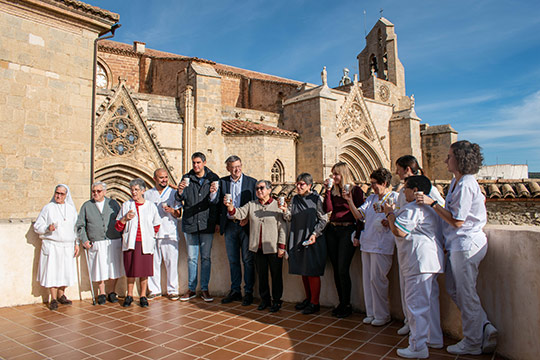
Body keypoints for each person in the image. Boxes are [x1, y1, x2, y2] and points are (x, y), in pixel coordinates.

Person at [416, 140, 497, 355]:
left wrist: (432, 204)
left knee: (466, 293)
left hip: (466, 244)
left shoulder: (466, 184)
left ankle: (472, 342)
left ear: (459, 158)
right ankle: (485, 327)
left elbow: (458, 220)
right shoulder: (457, 183)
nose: (445, 160)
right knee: (455, 289)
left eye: (449, 156)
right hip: (457, 245)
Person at [384, 175, 444, 359]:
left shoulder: (414, 208)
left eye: (406, 188)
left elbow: (400, 231)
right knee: (425, 303)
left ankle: (418, 346)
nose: (403, 191)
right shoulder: (426, 207)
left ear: (415, 189)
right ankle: (432, 339)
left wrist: (390, 213)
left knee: (416, 305)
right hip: (425, 261)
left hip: (418, 261)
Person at [394, 155, 446, 336]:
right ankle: (424, 332)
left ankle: (423, 340)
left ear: (407, 169)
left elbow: (441, 215)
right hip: (412, 253)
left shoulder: (426, 194)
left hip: (420, 254)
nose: (396, 173)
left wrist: (390, 216)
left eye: (398, 169)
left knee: (421, 299)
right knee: (418, 297)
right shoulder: (409, 196)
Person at [224, 180, 286, 312]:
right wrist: (230, 206)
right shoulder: (252, 204)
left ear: (269, 190)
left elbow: (282, 227)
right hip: (257, 247)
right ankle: (265, 300)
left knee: (276, 276)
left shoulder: (277, 206)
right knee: (262, 275)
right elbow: (239, 213)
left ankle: (276, 301)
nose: (259, 190)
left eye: (262, 188)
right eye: (257, 188)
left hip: (273, 247)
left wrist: (282, 246)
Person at [346, 168, 398, 326]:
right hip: (367, 243)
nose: (372, 186)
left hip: (382, 245)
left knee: (378, 280)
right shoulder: (371, 198)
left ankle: (382, 314)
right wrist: (349, 201)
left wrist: (388, 219)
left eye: (375, 183)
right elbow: (359, 216)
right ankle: (371, 312)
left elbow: (399, 218)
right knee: (368, 280)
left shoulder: (395, 197)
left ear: (385, 183)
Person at [280, 173, 328, 315]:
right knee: (303, 270)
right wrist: (284, 210)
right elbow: (289, 217)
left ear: (309, 185)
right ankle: (308, 299)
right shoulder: (294, 199)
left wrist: (315, 234)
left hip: (313, 238)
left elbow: (324, 220)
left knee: (312, 271)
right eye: (297, 183)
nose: (298, 186)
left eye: (302, 184)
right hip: (298, 238)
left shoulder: (317, 199)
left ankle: (315, 302)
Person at [322, 162, 365, 318]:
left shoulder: (356, 191)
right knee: (336, 269)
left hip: (348, 231)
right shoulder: (333, 191)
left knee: (342, 269)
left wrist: (358, 235)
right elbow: (327, 209)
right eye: (333, 174)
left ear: (343, 174)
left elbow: (361, 216)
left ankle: (347, 304)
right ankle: (341, 302)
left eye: (336, 174)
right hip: (333, 230)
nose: (333, 177)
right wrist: (327, 191)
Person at [176, 152, 219, 302]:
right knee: (192, 258)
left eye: (198, 163)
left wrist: (213, 194)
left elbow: (215, 202)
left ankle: (205, 289)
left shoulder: (213, 178)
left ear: (204, 163)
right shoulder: (187, 178)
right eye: (194, 163)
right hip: (190, 224)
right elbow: (179, 198)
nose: (196, 165)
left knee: (206, 258)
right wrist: (180, 190)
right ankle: (191, 289)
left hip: (207, 224)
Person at [218, 155, 257, 306]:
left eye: (239, 166)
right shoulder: (223, 182)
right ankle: (235, 291)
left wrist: (248, 217)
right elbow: (215, 204)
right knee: (233, 260)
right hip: (229, 225)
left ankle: (248, 292)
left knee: (247, 261)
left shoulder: (251, 182)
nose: (236, 169)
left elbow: (255, 203)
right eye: (233, 167)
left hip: (245, 226)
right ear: (228, 168)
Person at [115, 178, 161, 308]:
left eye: (136, 190)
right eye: (132, 190)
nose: (133, 192)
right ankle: (129, 295)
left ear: (142, 191)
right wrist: (125, 218)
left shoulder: (150, 206)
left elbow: (156, 224)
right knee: (131, 270)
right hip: (131, 242)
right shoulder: (126, 205)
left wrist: (151, 236)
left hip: (145, 242)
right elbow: (118, 226)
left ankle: (143, 295)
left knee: (144, 271)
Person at [77, 181, 124, 305]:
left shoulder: (113, 204)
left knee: (114, 268)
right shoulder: (87, 206)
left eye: (98, 191)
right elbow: (81, 225)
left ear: (104, 192)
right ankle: (102, 293)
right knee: (99, 268)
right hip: (96, 241)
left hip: (113, 240)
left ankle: (112, 292)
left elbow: (120, 220)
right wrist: (85, 240)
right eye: (93, 191)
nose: (95, 193)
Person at [34, 184, 79, 310]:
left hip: (67, 245)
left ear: (66, 195)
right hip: (52, 245)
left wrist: (76, 243)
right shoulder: (48, 208)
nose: (58, 196)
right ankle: (53, 298)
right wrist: (47, 228)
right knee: (52, 272)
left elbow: (75, 228)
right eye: (57, 193)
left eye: (61, 194)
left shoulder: (71, 209)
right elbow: (37, 226)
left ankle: (61, 295)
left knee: (65, 272)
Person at [144, 169, 182, 300]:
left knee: (171, 262)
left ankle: (172, 289)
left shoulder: (173, 193)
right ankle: (154, 290)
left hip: (169, 232)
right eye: (161, 178)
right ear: (155, 178)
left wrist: (171, 210)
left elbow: (179, 213)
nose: (164, 180)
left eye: (166, 177)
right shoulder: (148, 194)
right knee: (154, 263)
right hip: (153, 234)